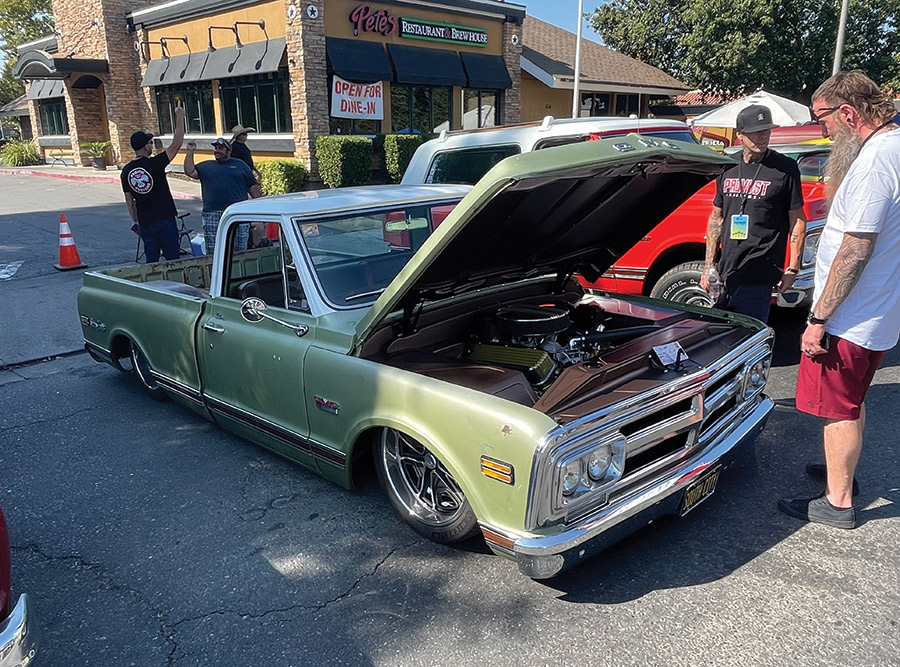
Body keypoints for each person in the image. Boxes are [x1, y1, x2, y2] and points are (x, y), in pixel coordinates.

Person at [779, 70, 900, 529]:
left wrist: (818, 317)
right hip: (878, 312)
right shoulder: (893, 147)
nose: (821, 129)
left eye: (823, 119)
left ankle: (838, 501)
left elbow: (856, 247)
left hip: (850, 318)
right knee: (851, 401)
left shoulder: (873, 163)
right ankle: (843, 474)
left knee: (835, 409)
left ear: (848, 113)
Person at [700, 104, 807, 322]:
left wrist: (793, 269)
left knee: (748, 341)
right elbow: (716, 218)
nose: (763, 136)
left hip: (759, 275)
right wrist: (709, 267)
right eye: (756, 131)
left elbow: (797, 220)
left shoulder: (784, 168)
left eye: (767, 130)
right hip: (726, 273)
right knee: (719, 338)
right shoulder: (728, 166)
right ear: (740, 134)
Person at [121, 102, 185, 262]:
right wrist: (180, 117)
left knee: (152, 263)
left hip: (145, 222)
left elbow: (129, 200)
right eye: (150, 143)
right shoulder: (155, 164)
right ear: (144, 148)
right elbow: (176, 144)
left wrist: (135, 220)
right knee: (173, 261)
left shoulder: (126, 171)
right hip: (164, 219)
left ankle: (154, 286)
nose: (152, 145)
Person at [183, 137, 261, 255]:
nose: (217, 150)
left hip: (237, 213)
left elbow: (253, 185)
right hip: (212, 213)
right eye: (215, 148)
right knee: (214, 250)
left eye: (220, 148)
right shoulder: (206, 166)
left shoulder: (240, 165)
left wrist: (259, 207)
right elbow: (190, 171)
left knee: (239, 250)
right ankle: (215, 272)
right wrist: (190, 151)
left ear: (228, 151)